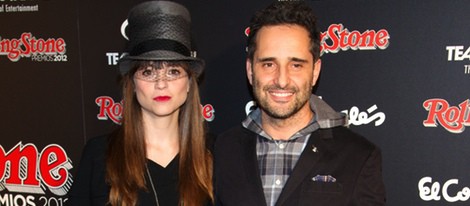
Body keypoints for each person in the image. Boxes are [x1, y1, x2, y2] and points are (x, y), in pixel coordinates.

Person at [214, 1, 386, 206]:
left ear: (315, 71)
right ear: (251, 71)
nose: (282, 80)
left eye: (296, 65)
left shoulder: (358, 157)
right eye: (269, 64)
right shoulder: (221, 151)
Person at [67, 1, 213, 206]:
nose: (161, 83)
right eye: (148, 71)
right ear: (133, 83)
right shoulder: (99, 154)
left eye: (173, 71)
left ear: (189, 83)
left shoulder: (214, 154)